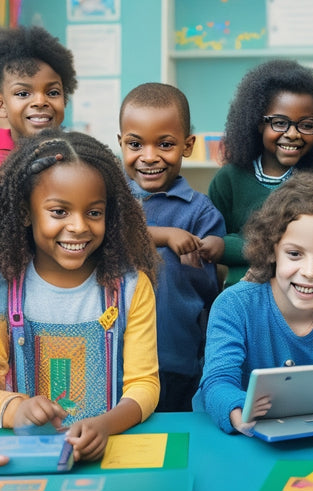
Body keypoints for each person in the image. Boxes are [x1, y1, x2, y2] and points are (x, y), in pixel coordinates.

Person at [0, 129, 160, 461]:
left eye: (94, 212)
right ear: (26, 213)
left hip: (110, 453)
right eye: (59, 211)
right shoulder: (4, 290)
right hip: (25, 459)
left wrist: (104, 425)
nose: (78, 226)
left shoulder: (131, 288)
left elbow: (144, 385)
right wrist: (17, 410)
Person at [194, 168, 313, 434]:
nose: (309, 271)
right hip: (239, 444)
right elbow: (218, 382)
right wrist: (237, 412)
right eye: (295, 253)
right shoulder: (234, 306)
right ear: (272, 250)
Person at [118, 82, 225, 412]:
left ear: (187, 145)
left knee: (174, 440)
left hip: (176, 357)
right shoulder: (108, 201)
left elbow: (213, 282)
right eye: (135, 144)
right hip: (115, 361)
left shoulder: (200, 210)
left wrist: (210, 254)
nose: (149, 157)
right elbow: (110, 236)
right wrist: (166, 236)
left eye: (165, 144)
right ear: (120, 143)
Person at [208, 59, 313, 286]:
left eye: (306, 125)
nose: (293, 134)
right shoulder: (228, 180)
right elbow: (213, 246)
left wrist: (239, 246)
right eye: (279, 122)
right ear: (257, 123)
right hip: (243, 296)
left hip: (304, 295)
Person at [0, 25, 77, 163]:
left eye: (53, 92)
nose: (40, 101)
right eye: (23, 93)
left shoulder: (77, 154)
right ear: (1, 104)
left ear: (64, 98)